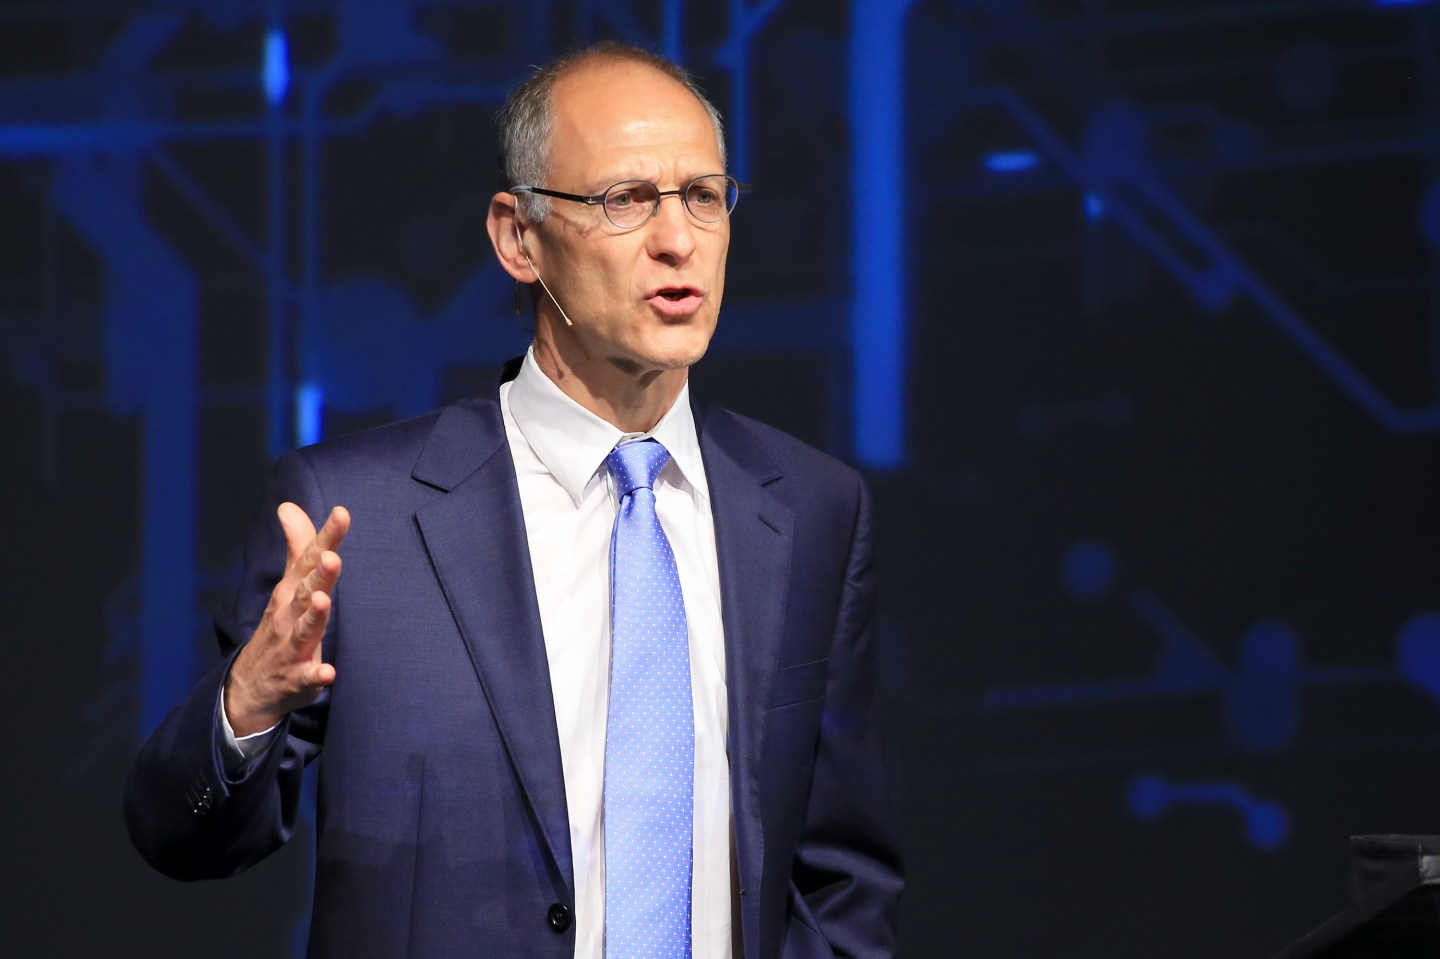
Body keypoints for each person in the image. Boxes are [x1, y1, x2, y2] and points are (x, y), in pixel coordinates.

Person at [126, 41, 902, 959]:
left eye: (702, 195)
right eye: (626, 199)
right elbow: (182, 835)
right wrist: (247, 703)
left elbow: (839, 875)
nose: (678, 239)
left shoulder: (811, 510)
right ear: (518, 238)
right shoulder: (357, 516)